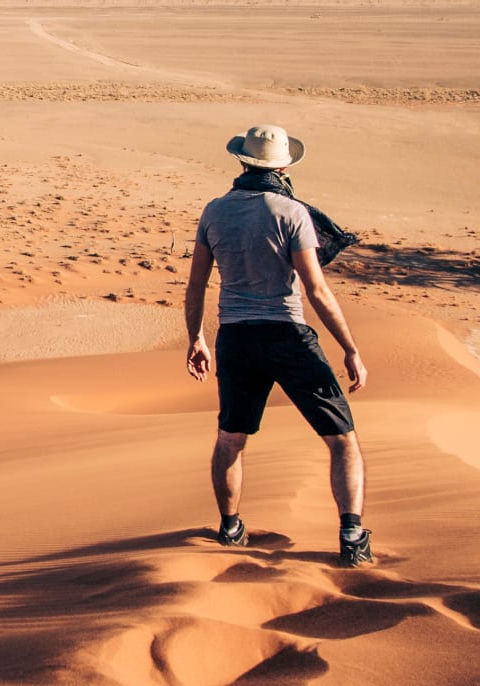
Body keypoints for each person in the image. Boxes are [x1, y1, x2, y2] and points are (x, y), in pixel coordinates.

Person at [182, 124, 374, 568]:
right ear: (284, 165)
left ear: (242, 161)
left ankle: (230, 528)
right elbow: (316, 290)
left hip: (235, 337)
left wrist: (196, 338)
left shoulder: (214, 212)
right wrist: (350, 348)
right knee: (342, 440)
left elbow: (195, 286)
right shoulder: (290, 213)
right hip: (287, 334)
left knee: (231, 439)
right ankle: (351, 535)